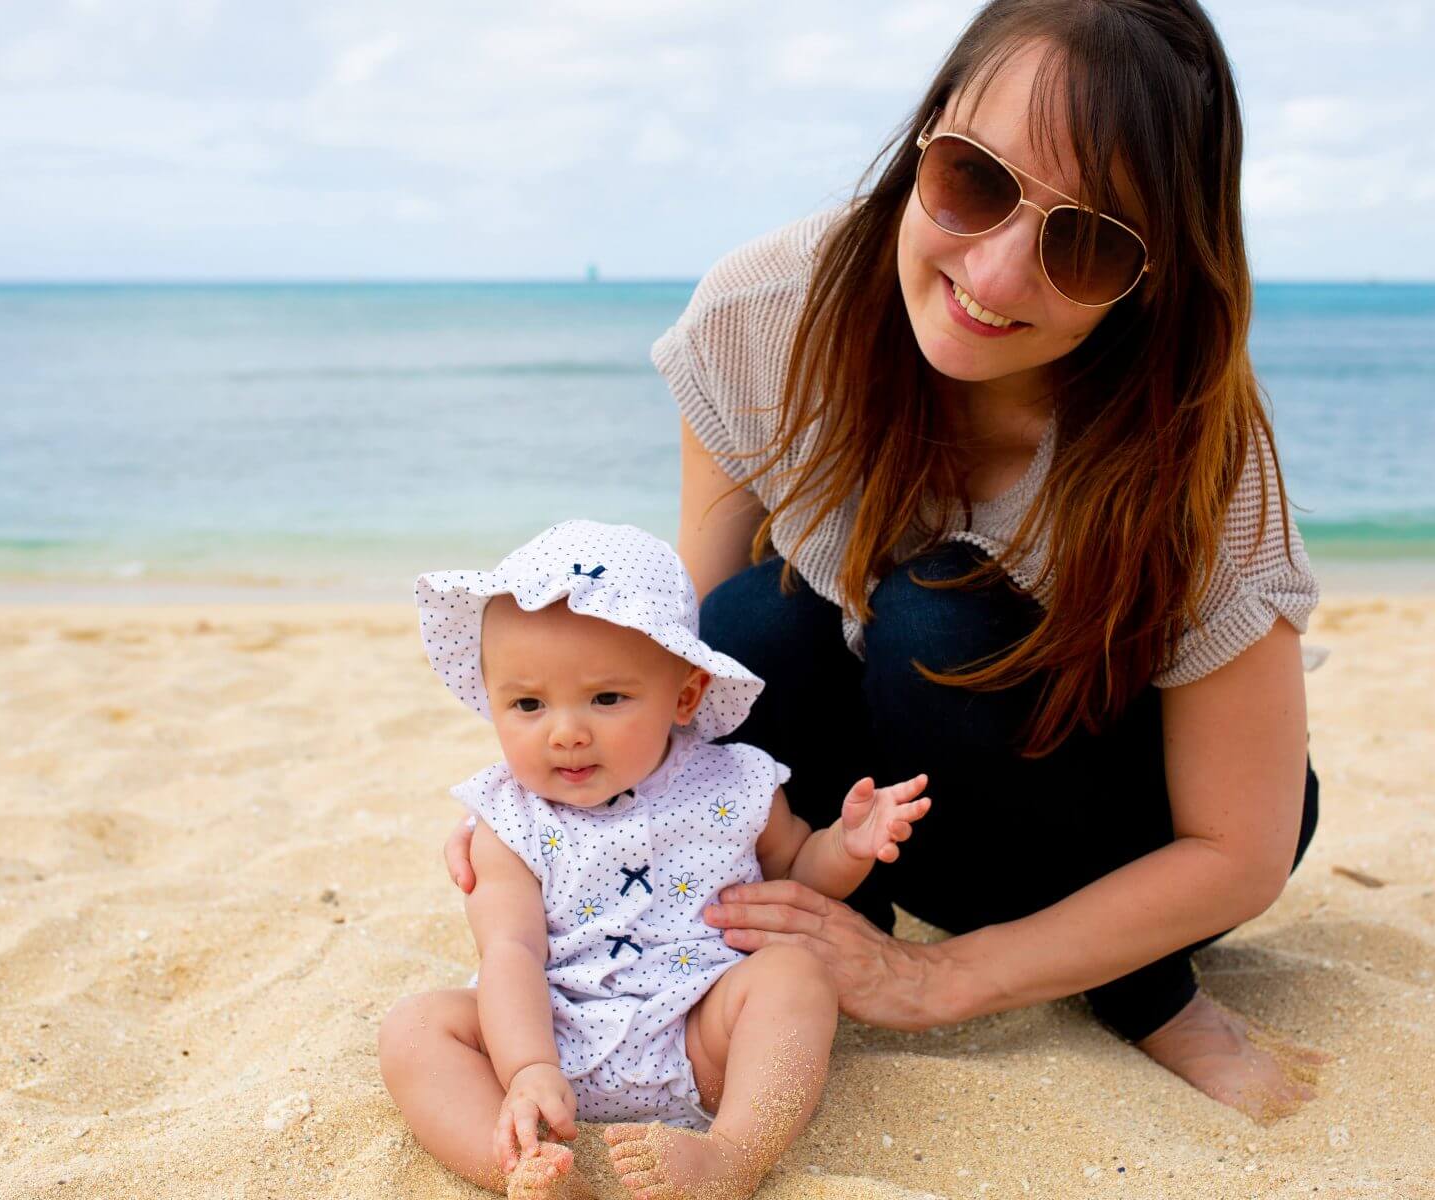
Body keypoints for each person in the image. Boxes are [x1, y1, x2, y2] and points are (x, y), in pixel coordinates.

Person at [449, 0, 1331, 1123]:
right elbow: (683, 671)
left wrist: (941, 980)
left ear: (1154, 276)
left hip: (1118, 831)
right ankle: (831, 937)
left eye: (1090, 244)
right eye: (977, 180)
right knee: (752, 623)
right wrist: (545, 811)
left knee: (934, 619)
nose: (999, 276)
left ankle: (1142, 991)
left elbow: (1240, 849)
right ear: (927, 134)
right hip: (884, 825)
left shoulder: (1194, 447)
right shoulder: (767, 318)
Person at [379, 521, 931, 1200]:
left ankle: (733, 1153)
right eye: (527, 704)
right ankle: (521, 1168)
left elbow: (796, 879)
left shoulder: (735, 783)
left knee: (795, 975)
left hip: (701, 1036)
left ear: (686, 695)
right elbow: (512, 953)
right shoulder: (508, 822)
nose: (566, 731)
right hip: (549, 1034)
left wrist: (844, 848)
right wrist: (526, 1067)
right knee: (415, 1030)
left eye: (607, 698)